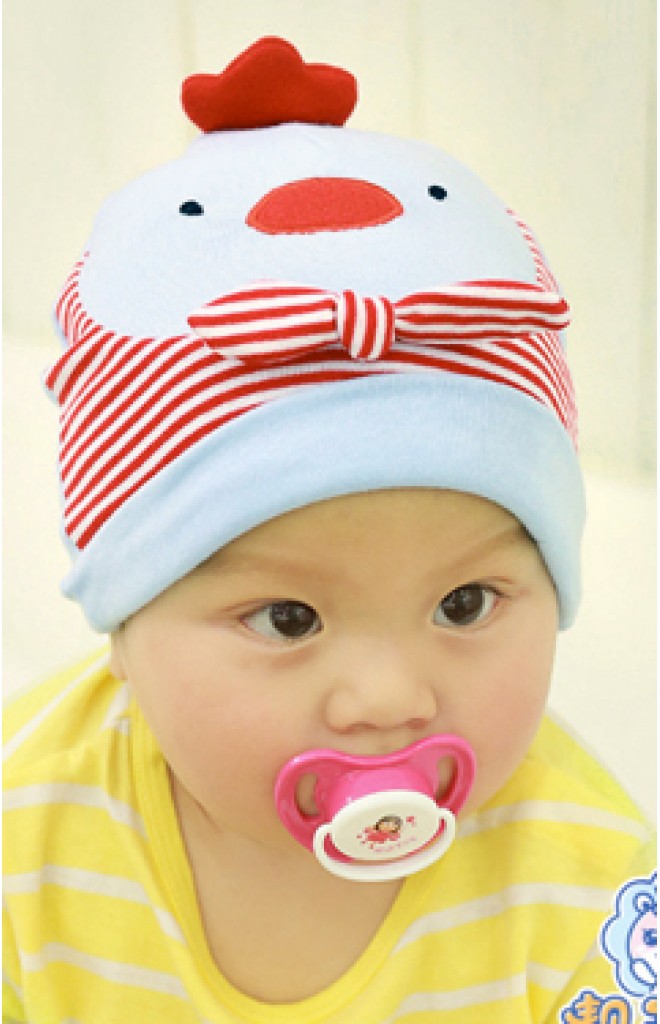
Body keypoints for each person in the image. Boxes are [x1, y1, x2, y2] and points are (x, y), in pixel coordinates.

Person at [3, 36, 655, 1024]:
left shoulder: (590, 887)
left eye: (464, 603)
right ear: (123, 623)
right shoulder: (27, 832)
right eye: (288, 618)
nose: (388, 699)